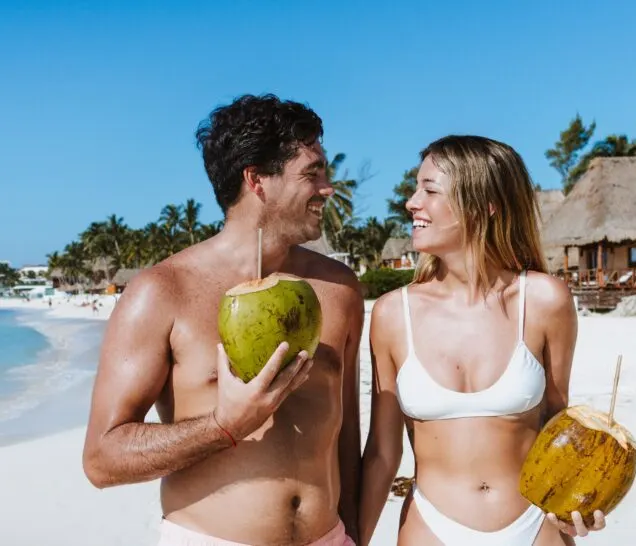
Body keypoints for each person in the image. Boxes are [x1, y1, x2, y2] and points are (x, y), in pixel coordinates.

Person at [82, 94, 364, 546]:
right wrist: (223, 426)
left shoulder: (340, 289)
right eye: (313, 173)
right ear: (257, 180)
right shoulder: (162, 292)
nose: (328, 187)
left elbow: (346, 438)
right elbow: (102, 458)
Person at [358, 135, 607, 546]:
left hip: (535, 526)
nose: (412, 202)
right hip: (431, 528)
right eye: (416, 188)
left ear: (485, 204)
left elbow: (558, 425)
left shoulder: (544, 300)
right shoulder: (391, 314)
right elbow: (383, 454)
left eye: (430, 190)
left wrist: (582, 504)